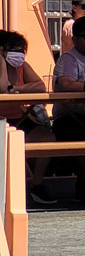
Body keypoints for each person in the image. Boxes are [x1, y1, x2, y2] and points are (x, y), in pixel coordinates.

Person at [53, 15, 85, 202]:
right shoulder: (69, 59)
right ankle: (84, 181)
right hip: (71, 116)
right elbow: (66, 83)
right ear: (75, 40)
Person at [0, 31, 57, 204]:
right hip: (2, 121)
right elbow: (2, 87)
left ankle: (36, 184)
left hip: (20, 118)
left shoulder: (22, 66)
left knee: (47, 138)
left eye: (22, 50)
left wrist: (15, 89)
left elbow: (40, 86)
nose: (19, 54)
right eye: (15, 50)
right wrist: (1, 63)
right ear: (2, 50)